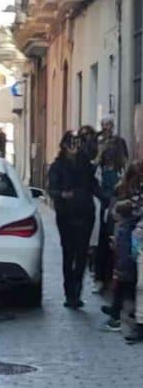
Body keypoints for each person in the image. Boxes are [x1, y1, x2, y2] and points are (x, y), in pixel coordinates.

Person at [48, 131, 106, 308]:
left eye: (78, 144)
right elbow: (51, 189)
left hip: (85, 212)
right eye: (71, 144)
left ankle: (77, 292)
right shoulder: (57, 166)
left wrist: (108, 198)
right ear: (64, 146)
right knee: (68, 252)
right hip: (66, 214)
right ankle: (69, 293)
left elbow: (94, 185)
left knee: (81, 254)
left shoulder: (86, 165)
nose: (75, 148)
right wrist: (62, 194)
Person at [99, 162, 143, 331]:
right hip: (127, 235)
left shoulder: (127, 192)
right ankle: (121, 312)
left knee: (125, 276)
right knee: (126, 276)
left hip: (128, 235)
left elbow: (119, 211)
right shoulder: (129, 192)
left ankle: (117, 314)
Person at [93, 117, 129, 294]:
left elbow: (125, 167)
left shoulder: (119, 143)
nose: (107, 128)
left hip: (116, 197)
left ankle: (112, 278)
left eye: (109, 125)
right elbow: (94, 169)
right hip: (105, 198)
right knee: (103, 236)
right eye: (104, 125)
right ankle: (100, 277)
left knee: (115, 238)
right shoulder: (98, 144)